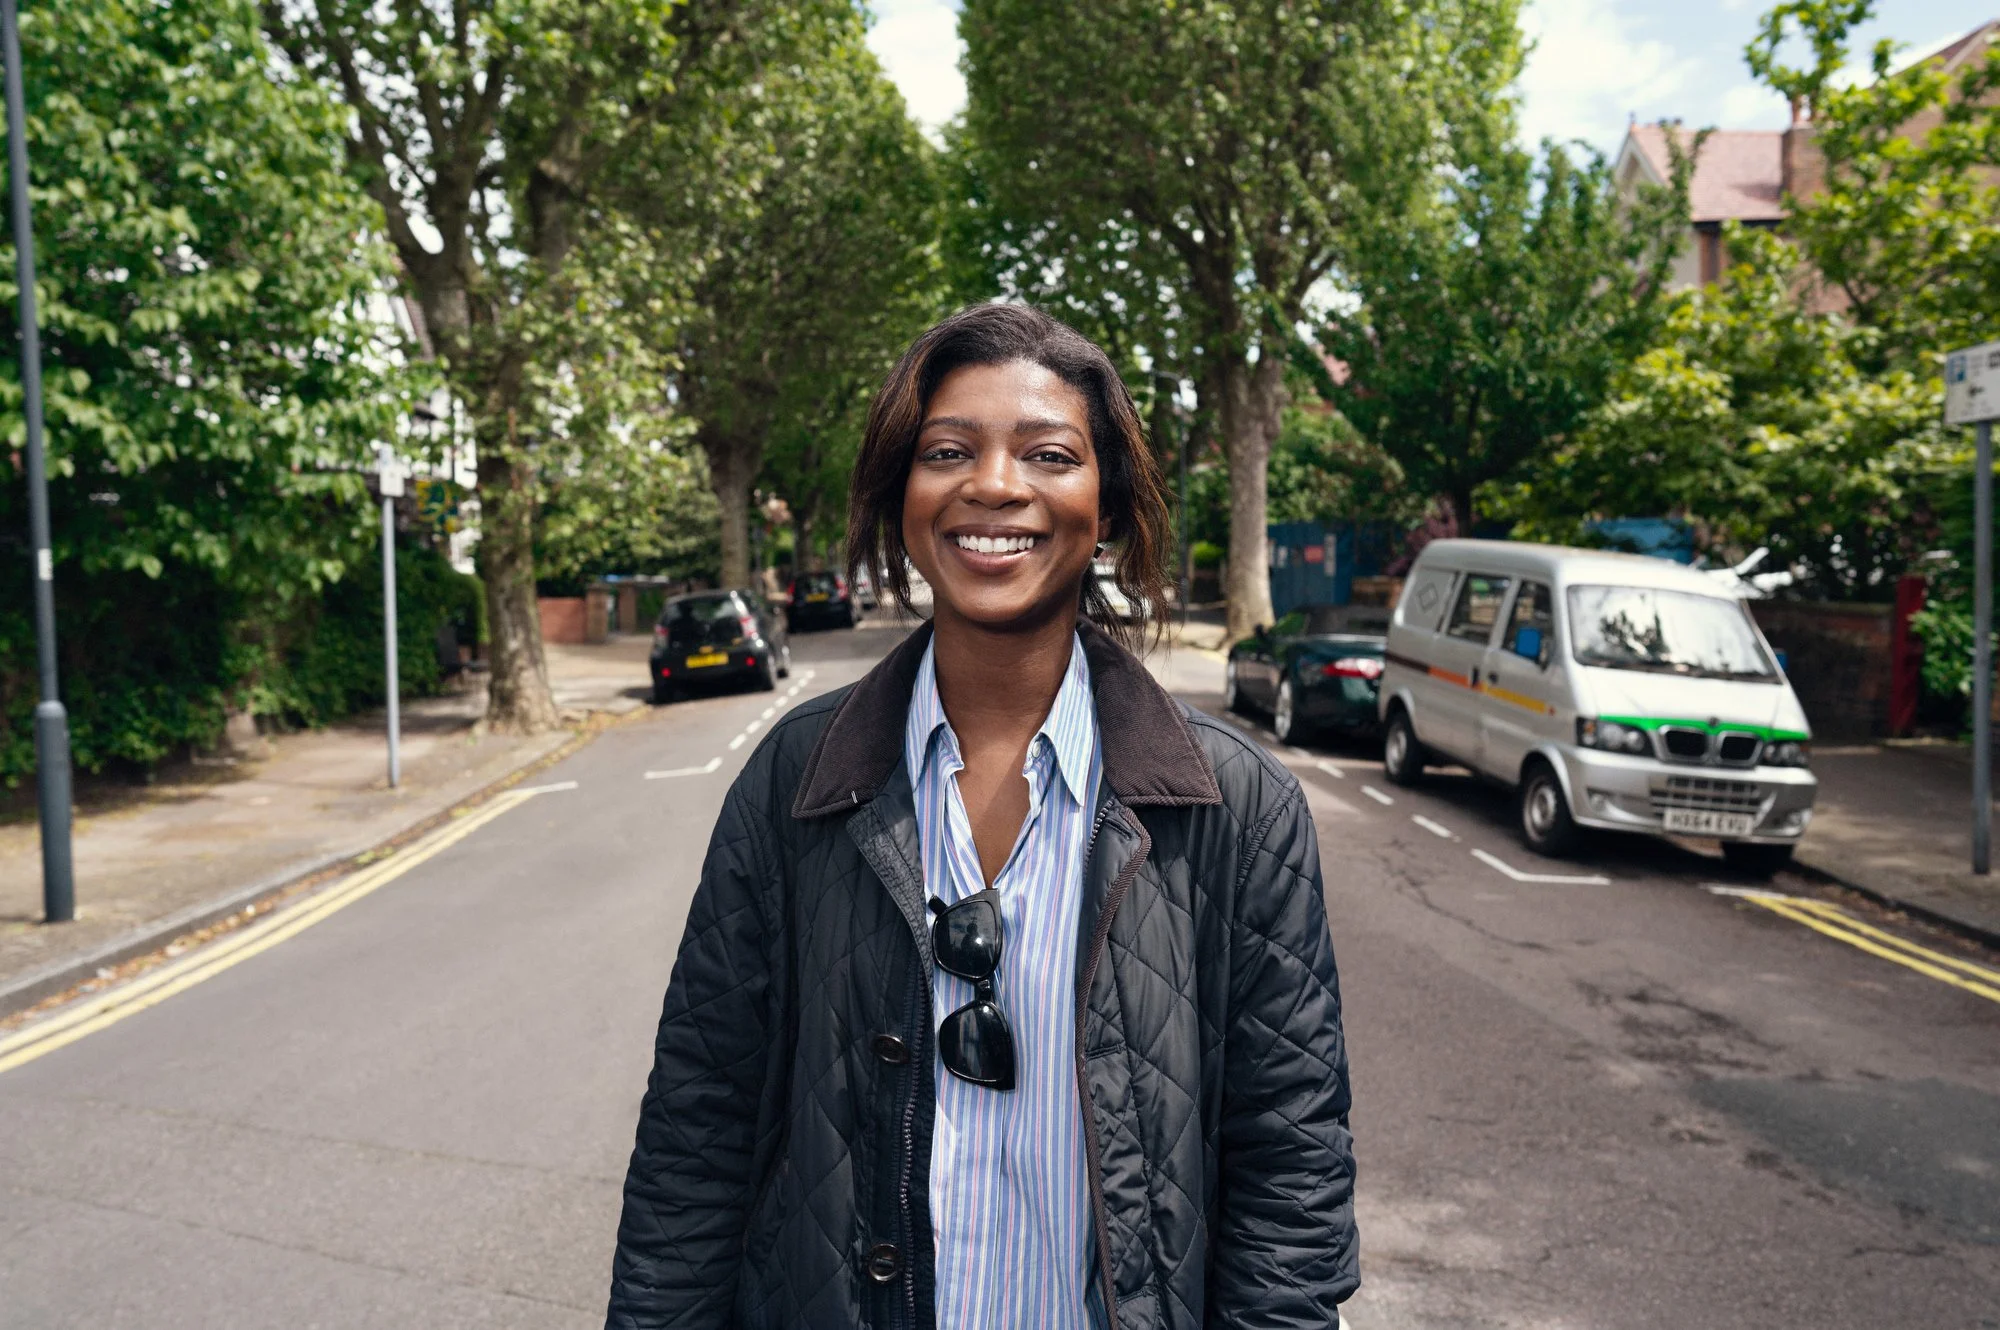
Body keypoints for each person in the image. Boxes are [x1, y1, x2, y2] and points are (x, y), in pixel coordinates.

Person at [605, 304, 1357, 1328]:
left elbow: (1291, 1172)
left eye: (1049, 454)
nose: (994, 484)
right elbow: (698, 1129)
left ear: (1108, 505)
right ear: (902, 497)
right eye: (947, 451)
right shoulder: (795, 777)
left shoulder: (1240, 807)